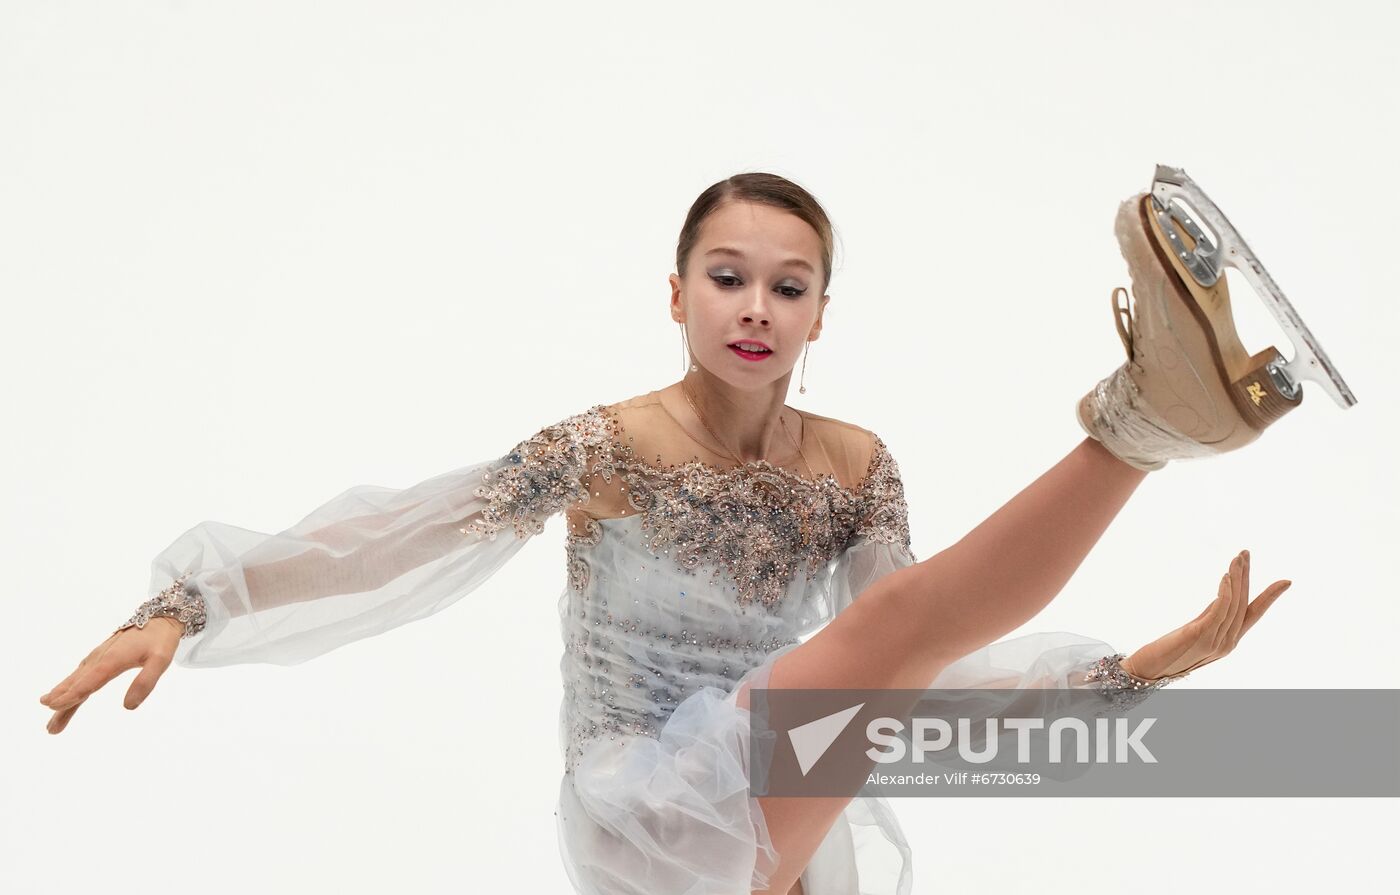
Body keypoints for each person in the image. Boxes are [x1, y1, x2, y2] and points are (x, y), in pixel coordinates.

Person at [39, 172, 1323, 895]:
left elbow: (903, 673)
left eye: (787, 284)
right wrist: (186, 603)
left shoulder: (855, 469)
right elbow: (400, 537)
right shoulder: (608, 447)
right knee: (874, 638)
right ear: (675, 295)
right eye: (725, 276)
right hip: (642, 804)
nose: (753, 306)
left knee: (872, 651)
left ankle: (1156, 419)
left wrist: (1120, 677)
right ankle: (1148, 421)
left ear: (822, 313)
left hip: (780, 793)